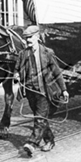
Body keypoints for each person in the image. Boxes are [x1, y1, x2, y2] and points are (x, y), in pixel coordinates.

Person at [14, 25, 69, 155]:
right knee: (41, 118)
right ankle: (50, 140)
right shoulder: (23, 54)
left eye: (30, 37)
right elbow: (16, 69)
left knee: (39, 118)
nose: (28, 40)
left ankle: (32, 143)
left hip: (44, 91)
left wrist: (64, 89)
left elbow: (57, 72)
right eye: (26, 38)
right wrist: (16, 75)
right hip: (30, 92)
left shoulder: (47, 53)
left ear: (37, 37)